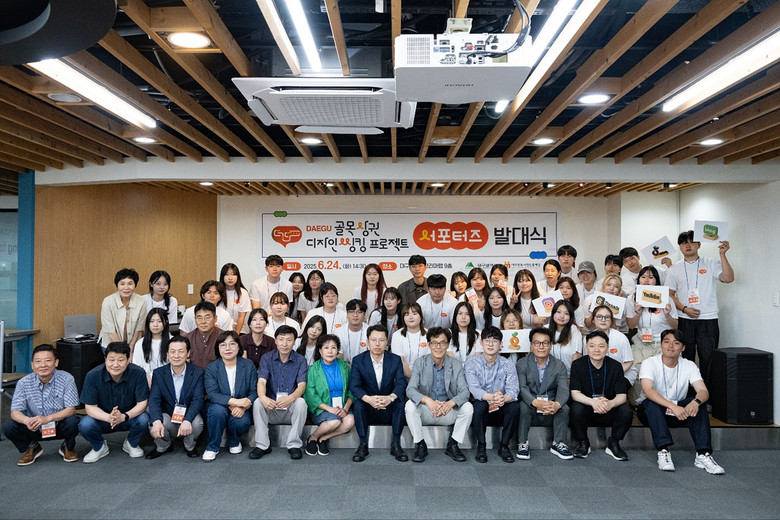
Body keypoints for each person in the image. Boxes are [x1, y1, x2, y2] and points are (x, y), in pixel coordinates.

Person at [636, 329, 725, 474]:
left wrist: (695, 402)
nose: (670, 346)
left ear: (683, 347)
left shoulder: (689, 365)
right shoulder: (649, 363)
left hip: (678, 411)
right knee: (650, 403)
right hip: (653, 412)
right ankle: (663, 451)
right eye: (666, 342)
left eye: (676, 343)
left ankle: (703, 454)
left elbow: (703, 391)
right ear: (661, 345)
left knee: (699, 404)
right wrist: (672, 406)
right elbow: (648, 391)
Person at [666, 230, 734, 386]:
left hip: (708, 319)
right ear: (680, 247)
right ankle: (688, 393)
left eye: (692, 242)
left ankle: (707, 395)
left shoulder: (711, 263)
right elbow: (669, 294)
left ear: (699, 244)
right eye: (684, 243)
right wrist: (684, 308)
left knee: (708, 359)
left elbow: (728, 278)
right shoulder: (674, 268)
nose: (688, 245)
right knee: (685, 358)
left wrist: (722, 254)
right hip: (684, 319)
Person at [2, 344, 80, 465]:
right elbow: (15, 412)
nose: (43, 365)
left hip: (58, 425)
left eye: (48, 360)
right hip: (35, 427)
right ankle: (32, 447)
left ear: (56, 362)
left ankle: (68, 447)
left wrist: (47, 419)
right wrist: (27, 421)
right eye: (38, 361)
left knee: (73, 420)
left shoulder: (67, 378)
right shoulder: (24, 383)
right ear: (32, 365)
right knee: (9, 427)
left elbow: (71, 409)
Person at [405, 327, 473, 463]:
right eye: (434, 343)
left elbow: (465, 391)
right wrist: (428, 401)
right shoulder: (420, 362)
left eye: (442, 343)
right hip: (427, 411)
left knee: (468, 407)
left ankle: (453, 444)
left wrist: (450, 403)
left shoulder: (456, 364)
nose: (438, 347)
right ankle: (420, 445)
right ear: (429, 345)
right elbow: (410, 390)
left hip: (447, 410)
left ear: (448, 345)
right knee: (409, 406)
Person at [79, 342, 150, 463]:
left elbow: (142, 404)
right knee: (85, 424)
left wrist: (123, 416)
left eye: (121, 360)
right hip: (103, 419)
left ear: (128, 360)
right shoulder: (92, 375)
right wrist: (109, 418)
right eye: (111, 360)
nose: (115, 365)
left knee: (145, 419)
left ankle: (131, 443)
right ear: (105, 359)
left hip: (128, 418)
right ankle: (99, 446)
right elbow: (90, 407)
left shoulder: (138, 373)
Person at [569, 331, 633, 461]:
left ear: (607, 348)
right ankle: (583, 442)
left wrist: (610, 403)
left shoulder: (616, 366)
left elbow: (622, 396)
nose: (596, 350)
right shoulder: (577, 365)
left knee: (626, 411)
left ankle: (614, 443)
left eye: (601, 346)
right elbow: (575, 394)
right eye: (592, 346)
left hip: (608, 409)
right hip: (587, 409)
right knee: (575, 408)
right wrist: (593, 402)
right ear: (586, 348)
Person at [349, 325, 408, 462]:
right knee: (358, 404)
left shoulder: (395, 360)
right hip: (368, 405)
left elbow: (401, 383)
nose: (377, 344)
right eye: (374, 340)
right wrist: (369, 399)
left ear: (387, 342)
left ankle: (396, 444)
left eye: (381, 340)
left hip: (388, 404)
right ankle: (363, 444)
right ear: (367, 341)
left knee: (400, 403)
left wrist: (390, 398)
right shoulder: (358, 360)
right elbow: (355, 386)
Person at [251, 325, 308, 460]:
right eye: (281, 339)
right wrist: (263, 397)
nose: (284, 344)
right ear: (275, 341)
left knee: (301, 402)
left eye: (289, 340)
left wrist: (290, 398)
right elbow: (261, 381)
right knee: (258, 402)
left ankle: (294, 445)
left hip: (290, 408)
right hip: (272, 406)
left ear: (294, 342)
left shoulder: (301, 360)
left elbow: (301, 386)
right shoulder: (267, 358)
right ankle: (262, 445)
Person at [465, 326, 520, 463]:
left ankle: (504, 446)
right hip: (483, 402)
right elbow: (474, 389)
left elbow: (513, 390)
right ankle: (481, 446)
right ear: (481, 343)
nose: (491, 344)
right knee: (479, 406)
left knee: (515, 407)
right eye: (487, 341)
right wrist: (492, 397)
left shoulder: (508, 364)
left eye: (495, 341)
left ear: (501, 345)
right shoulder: (471, 363)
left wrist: (503, 398)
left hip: (501, 403)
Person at [516, 328, 572, 461]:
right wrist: (535, 402)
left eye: (545, 343)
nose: (541, 346)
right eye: (537, 343)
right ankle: (522, 443)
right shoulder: (521, 363)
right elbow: (522, 388)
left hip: (550, 404)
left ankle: (558, 443)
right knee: (523, 406)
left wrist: (557, 404)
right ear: (531, 345)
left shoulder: (559, 365)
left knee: (565, 408)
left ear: (551, 345)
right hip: (531, 402)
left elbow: (563, 389)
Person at [626, 265, 678, 402]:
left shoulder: (666, 298)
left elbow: (675, 326)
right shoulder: (632, 298)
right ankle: (638, 403)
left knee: (663, 372)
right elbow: (631, 325)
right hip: (641, 341)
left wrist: (667, 315)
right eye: (643, 277)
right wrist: (638, 313)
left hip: (663, 342)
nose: (646, 280)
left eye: (650, 277)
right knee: (637, 370)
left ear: (656, 280)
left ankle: (664, 402)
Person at [146, 336, 204, 459]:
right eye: (172, 351)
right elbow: (154, 399)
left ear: (188, 353)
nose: (176, 355)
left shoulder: (198, 373)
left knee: (197, 423)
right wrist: (156, 421)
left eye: (181, 351)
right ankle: (164, 446)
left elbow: (198, 400)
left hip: (188, 413)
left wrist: (187, 420)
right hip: (168, 414)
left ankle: (189, 446)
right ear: (167, 354)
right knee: (154, 422)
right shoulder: (159, 373)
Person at [203, 331, 258, 461]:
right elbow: (212, 394)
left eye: (232, 344)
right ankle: (212, 446)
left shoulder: (248, 365)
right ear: (218, 348)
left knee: (241, 421)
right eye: (223, 345)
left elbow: (254, 391)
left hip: (242, 406)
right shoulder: (212, 368)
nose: (227, 348)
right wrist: (237, 402)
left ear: (239, 346)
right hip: (219, 405)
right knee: (217, 411)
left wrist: (243, 407)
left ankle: (234, 440)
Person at [303, 334, 355, 456]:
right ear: (320, 351)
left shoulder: (344, 366)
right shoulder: (314, 369)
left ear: (337, 351)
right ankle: (313, 438)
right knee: (334, 421)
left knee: (350, 421)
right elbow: (310, 394)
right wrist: (330, 409)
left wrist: (345, 408)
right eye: (326, 348)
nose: (330, 351)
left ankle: (324, 438)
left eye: (333, 347)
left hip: (342, 408)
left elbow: (352, 389)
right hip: (322, 409)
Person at [99, 268, 147, 354]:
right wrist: (122, 353)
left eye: (130, 284)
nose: (126, 287)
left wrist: (131, 348)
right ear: (117, 285)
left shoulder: (142, 301)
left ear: (135, 285)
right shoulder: (108, 302)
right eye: (122, 284)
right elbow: (111, 332)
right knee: (118, 361)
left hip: (133, 343)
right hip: (110, 343)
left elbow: (139, 329)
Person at [589, 305, 637, 388]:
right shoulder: (589, 338)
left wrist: (611, 375)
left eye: (607, 317)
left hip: (623, 374)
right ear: (593, 320)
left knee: (613, 388)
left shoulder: (620, 337)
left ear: (611, 321)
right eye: (599, 317)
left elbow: (629, 362)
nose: (603, 320)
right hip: (598, 375)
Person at [132, 308, 170, 386]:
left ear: (165, 322)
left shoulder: (172, 342)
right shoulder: (140, 343)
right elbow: (137, 367)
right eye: (152, 321)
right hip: (145, 382)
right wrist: (148, 381)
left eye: (159, 321)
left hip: (167, 382)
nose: (155, 325)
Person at [391, 302, 428, 378]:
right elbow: (400, 360)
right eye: (407, 314)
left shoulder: (429, 334)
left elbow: (430, 360)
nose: (411, 317)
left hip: (425, 376)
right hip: (403, 376)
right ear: (403, 318)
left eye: (414, 314)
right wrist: (411, 377)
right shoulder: (397, 335)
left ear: (421, 316)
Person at [546, 300, 583, 375]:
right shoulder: (545, 330)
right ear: (553, 313)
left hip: (568, 375)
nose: (562, 316)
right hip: (548, 375)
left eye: (566, 313)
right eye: (558, 312)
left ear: (571, 316)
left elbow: (576, 356)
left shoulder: (574, 331)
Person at [184, 301, 222, 370]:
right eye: (199, 318)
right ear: (195, 319)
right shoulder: (187, 338)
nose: (203, 322)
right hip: (194, 376)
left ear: (215, 318)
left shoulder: (223, 337)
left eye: (207, 317)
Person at [221, 262, 251, 333]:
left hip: (239, 330)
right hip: (221, 329)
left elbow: (241, 317)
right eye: (227, 274)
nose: (230, 278)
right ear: (222, 276)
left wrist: (236, 335)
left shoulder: (243, 293)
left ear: (238, 276)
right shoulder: (219, 292)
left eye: (233, 274)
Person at [336, 299, 369, 364]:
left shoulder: (370, 331)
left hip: (364, 366)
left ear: (364, 315)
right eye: (351, 312)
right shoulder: (339, 332)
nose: (355, 315)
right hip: (344, 366)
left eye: (359, 312)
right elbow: (338, 355)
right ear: (347, 314)